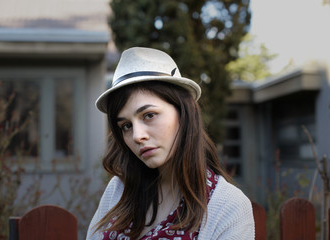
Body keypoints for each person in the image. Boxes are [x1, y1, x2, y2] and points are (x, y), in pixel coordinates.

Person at [86, 47, 254, 240]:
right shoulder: (119, 191)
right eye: (126, 126)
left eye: (149, 115)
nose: (137, 136)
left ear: (184, 113)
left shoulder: (227, 206)